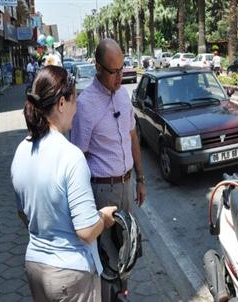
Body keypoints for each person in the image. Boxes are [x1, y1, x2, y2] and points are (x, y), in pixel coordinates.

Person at [11, 65, 117, 301]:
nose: (76, 108)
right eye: (74, 100)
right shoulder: (71, 156)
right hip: (71, 274)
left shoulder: (20, 150)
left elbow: (23, 214)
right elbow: (87, 231)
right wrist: (104, 216)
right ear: (61, 103)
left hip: (36, 267)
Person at [71, 38, 146, 300]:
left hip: (126, 185)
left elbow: (133, 137)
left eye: (123, 68)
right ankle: (108, 295)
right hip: (102, 189)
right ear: (98, 68)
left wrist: (140, 178)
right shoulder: (85, 104)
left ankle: (123, 291)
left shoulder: (123, 96)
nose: (120, 76)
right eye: (114, 71)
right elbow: (78, 156)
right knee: (106, 252)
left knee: (128, 246)